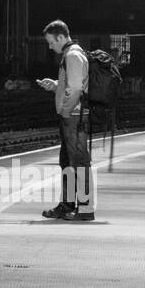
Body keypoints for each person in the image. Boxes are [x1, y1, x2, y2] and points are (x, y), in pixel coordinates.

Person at [36, 20, 95, 221]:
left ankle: (85, 210)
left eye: (51, 42)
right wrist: (55, 85)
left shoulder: (73, 55)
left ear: (61, 37)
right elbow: (73, 85)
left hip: (75, 117)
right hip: (73, 116)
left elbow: (77, 88)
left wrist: (66, 111)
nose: (50, 47)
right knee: (68, 163)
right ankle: (67, 205)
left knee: (79, 162)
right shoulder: (71, 55)